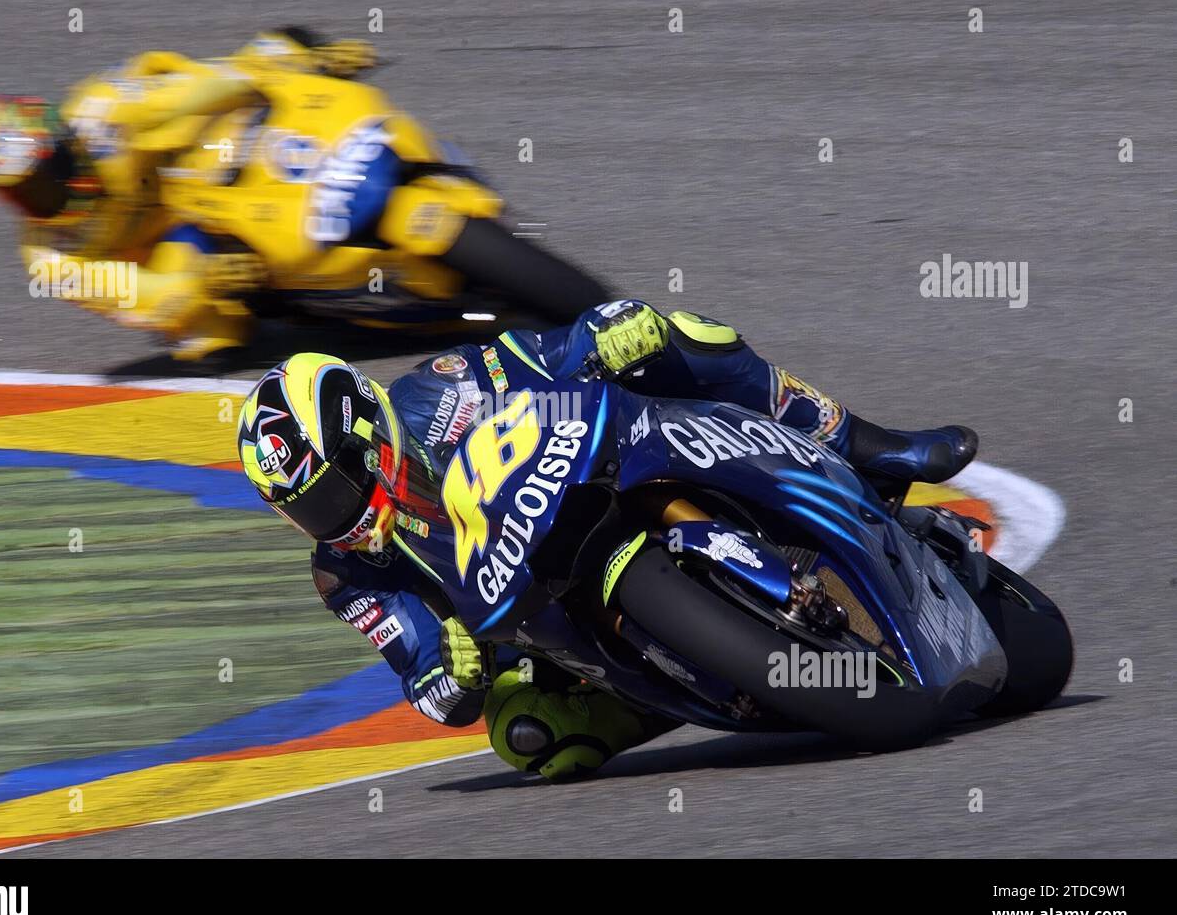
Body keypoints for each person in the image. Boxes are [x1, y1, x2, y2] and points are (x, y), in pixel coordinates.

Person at [237, 301, 978, 780]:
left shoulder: (443, 387)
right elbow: (425, 682)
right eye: (309, 514)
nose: (336, 522)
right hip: (544, 623)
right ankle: (685, 691)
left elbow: (552, 350)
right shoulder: (347, 574)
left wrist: (608, 328)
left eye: (333, 494)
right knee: (524, 733)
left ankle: (867, 446)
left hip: (598, 467)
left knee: (686, 336)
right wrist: (454, 674)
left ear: (371, 439)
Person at [0, 27, 378, 359]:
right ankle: (319, 301)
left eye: (45, 173)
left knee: (276, 49)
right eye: (23, 192)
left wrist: (296, 67)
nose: (44, 192)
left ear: (63, 140)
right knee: (210, 338)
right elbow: (141, 298)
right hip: (177, 247)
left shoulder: (102, 110)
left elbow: (195, 87)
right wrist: (204, 283)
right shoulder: (50, 260)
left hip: (198, 169)